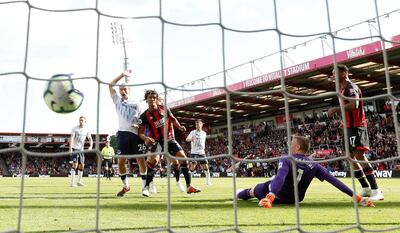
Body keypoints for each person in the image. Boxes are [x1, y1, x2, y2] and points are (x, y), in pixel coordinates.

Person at [236, 135, 375, 208]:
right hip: (295, 200)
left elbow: (280, 177)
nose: (289, 145)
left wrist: (271, 196)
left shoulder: (286, 158)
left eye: (291, 143)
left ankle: (238, 193)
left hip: (276, 196)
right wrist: (356, 196)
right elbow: (334, 181)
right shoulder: (314, 165)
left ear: (297, 147)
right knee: (270, 181)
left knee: (253, 190)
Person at [327, 64, 384, 201]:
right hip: (349, 127)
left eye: (335, 73)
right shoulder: (341, 88)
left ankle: (376, 191)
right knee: (349, 157)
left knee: (359, 155)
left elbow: (354, 105)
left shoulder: (350, 87)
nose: (333, 76)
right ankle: (365, 188)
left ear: (344, 73)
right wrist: (344, 121)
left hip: (357, 126)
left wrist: (335, 109)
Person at [138, 89, 201, 196]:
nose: (152, 99)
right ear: (146, 99)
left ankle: (189, 186)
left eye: (154, 97)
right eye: (150, 97)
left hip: (169, 139)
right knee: (153, 161)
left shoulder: (164, 108)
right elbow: (140, 133)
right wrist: (146, 139)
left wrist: (179, 126)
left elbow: (173, 119)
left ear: (157, 99)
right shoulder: (144, 116)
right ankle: (146, 187)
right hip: (156, 142)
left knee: (183, 159)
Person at [109, 70, 147, 197]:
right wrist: (121, 75)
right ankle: (126, 186)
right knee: (120, 162)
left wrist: (139, 125)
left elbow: (144, 120)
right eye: (121, 89)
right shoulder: (117, 101)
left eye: (125, 89)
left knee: (141, 161)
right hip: (122, 134)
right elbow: (110, 85)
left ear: (129, 90)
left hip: (136, 135)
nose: (123, 91)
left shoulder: (137, 103)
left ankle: (144, 188)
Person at [186, 119, 212, 185]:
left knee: (206, 167)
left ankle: (208, 181)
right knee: (192, 166)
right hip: (194, 152)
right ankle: (189, 182)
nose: (197, 125)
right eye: (196, 124)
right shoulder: (192, 132)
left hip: (202, 152)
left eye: (198, 124)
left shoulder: (204, 133)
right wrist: (191, 139)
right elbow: (187, 139)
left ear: (201, 124)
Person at [69, 116, 93, 187]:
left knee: (82, 165)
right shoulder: (75, 128)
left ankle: (79, 182)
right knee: (75, 165)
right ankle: (72, 183)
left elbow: (90, 139)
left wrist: (91, 146)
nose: (81, 121)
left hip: (81, 150)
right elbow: (72, 138)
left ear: (85, 121)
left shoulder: (87, 130)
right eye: (80, 120)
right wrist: (70, 148)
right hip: (75, 148)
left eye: (82, 120)